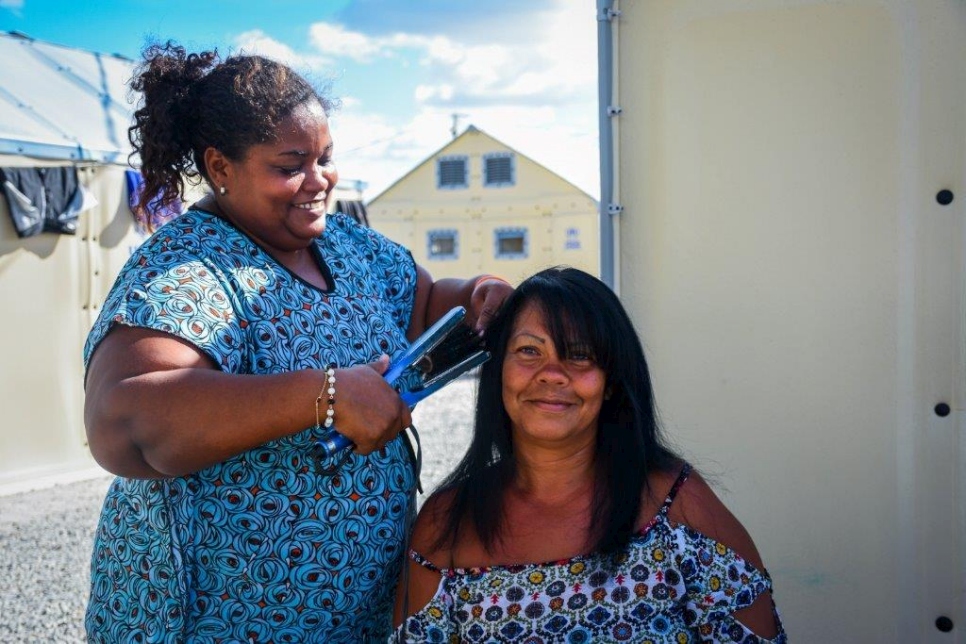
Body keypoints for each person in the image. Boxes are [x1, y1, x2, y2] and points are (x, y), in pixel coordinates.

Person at [82, 42, 512, 643]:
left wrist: (480, 294)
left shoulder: (349, 246)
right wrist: (326, 395)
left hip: (349, 621)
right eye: (290, 166)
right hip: (211, 624)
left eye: (325, 157)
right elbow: (124, 419)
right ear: (220, 166)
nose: (319, 181)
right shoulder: (187, 271)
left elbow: (424, 304)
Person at [393, 267, 787, 643]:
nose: (552, 373)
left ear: (612, 381)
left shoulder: (678, 506)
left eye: (579, 355)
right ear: (498, 372)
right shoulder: (447, 522)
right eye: (529, 350)